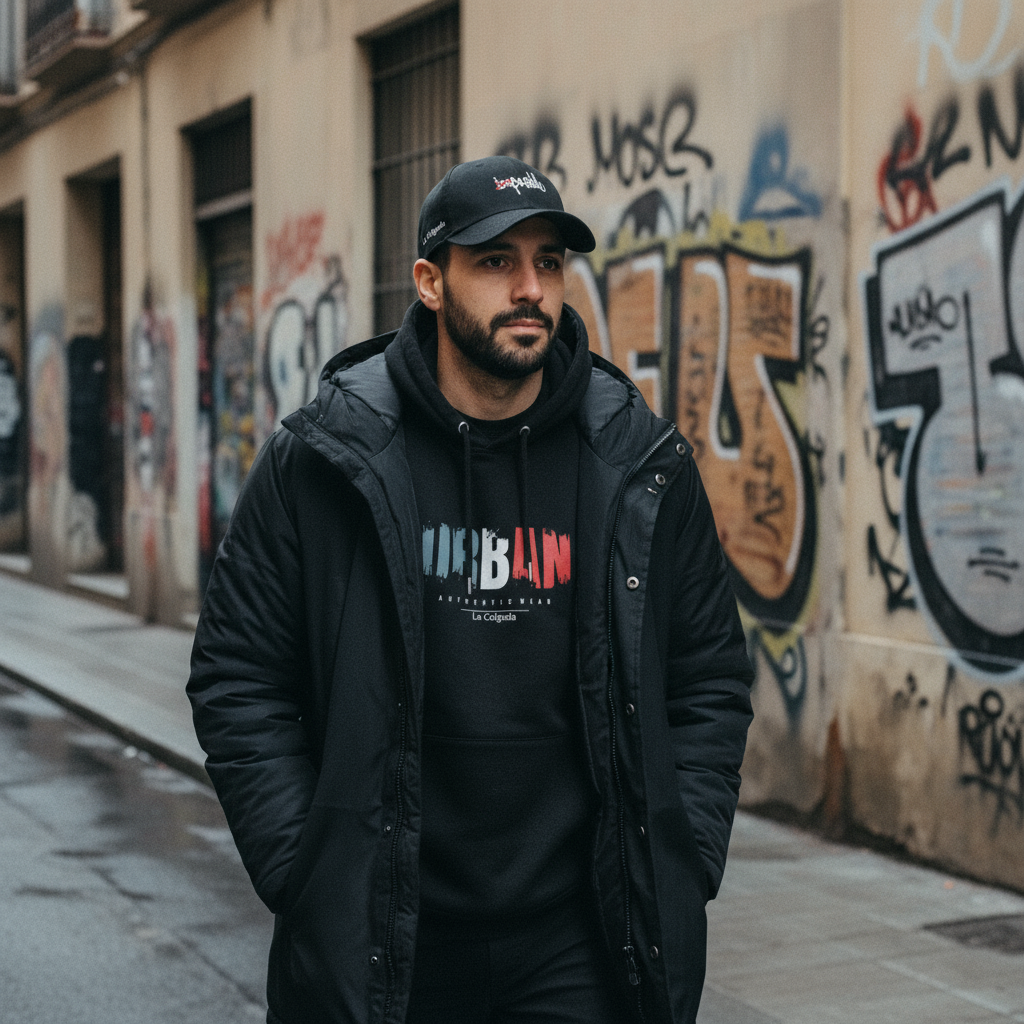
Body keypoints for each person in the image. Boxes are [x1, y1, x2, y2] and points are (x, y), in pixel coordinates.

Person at [188, 155, 754, 1024]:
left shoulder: (637, 463)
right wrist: (306, 866)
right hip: (387, 935)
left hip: (583, 942)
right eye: (495, 261)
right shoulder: (327, 458)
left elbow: (709, 676)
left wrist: (684, 852)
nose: (530, 288)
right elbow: (237, 673)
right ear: (429, 280)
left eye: (550, 262)